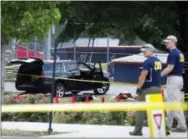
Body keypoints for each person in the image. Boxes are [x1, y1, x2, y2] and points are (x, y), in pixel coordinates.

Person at [129, 44, 168, 136]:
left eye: (145, 51)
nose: (143, 52)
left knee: (140, 109)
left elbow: (143, 76)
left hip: (148, 89)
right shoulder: (158, 61)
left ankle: (138, 131)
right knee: (158, 109)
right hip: (157, 88)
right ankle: (164, 129)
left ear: (150, 51)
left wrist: (138, 88)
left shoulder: (147, 62)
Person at [161, 35, 187, 132]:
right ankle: (168, 124)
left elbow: (170, 67)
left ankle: (182, 125)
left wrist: (160, 74)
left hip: (173, 79)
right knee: (170, 102)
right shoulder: (180, 53)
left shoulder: (172, 53)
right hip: (179, 79)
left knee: (174, 103)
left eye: (168, 42)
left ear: (173, 42)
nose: (166, 44)